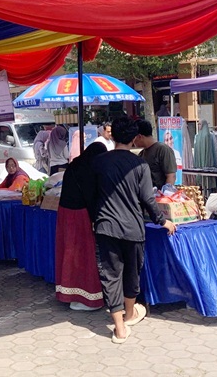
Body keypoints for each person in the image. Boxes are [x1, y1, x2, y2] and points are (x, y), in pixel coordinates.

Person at [90, 117, 176, 344]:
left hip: (106, 226)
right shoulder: (140, 165)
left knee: (111, 275)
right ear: (133, 138)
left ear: (114, 135)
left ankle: (120, 327)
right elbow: (148, 199)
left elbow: (91, 195)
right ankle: (129, 315)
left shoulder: (99, 162)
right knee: (131, 272)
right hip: (132, 228)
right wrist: (162, 221)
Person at [55, 142, 107, 311]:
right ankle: (86, 298)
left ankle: (69, 294)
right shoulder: (89, 170)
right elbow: (91, 198)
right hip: (79, 215)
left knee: (69, 253)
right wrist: (96, 218)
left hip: (65, 213)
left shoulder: (74, 165)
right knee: (82, 255)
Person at [133, 120, 177, 190]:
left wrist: (165, 195)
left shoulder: (163, 150)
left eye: (134, 138)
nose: (133, 141)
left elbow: (171, 176)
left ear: (139, 136)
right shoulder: (141, 153)